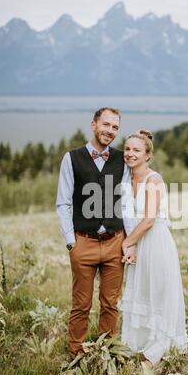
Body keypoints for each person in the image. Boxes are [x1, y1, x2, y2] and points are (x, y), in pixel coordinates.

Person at [56, 107, 128, 358]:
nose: (110, 131)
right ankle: (75, 355)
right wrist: (70, 242)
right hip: (82, 242)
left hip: (115, 241)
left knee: (110, 304)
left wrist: (128, 240)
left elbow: (128, 201)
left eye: (115, 127)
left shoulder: (122, 159)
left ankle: (105, 352)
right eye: (106, 124)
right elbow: (63, 202)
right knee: (81, 305)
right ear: (93, 124)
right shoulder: (72, 158)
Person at [118, 129, 188, 365]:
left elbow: (148, 219)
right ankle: (137, 340)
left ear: (148, 155)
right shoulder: (126, 179)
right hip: (138, 242)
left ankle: (158, 345)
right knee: (141, 290)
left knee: (157, 291)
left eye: (136, 150)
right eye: (127, 149)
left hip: (155, 241)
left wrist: (127, 243)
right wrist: (130, 245)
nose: (130, 154)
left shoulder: (154, 180)